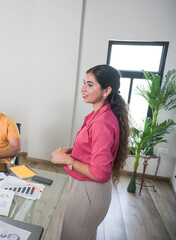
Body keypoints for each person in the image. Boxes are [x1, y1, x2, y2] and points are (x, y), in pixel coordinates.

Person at [51, 64, 129, 240]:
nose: (83, 89)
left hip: (89, 191)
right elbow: (95, 145)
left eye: (90, 85)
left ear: (106, 90)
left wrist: (66, 159)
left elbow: (99, 173)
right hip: (86, 189)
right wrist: (75, 150)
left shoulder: (102, 122)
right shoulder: (99, 114)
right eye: (84, 83)